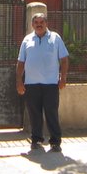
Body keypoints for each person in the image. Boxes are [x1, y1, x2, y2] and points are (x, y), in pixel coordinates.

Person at [16, 12, 69, 153]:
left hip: (51, 84)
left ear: (46, 23)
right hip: (31, 84)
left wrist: (63, 78)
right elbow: (21, 62)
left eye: (42, 22)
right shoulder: (27, 40)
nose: (39, 25)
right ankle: (36, 139)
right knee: (34, 114)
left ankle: (55, 142)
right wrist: (19, 82)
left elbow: (64, 59)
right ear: (32, 25)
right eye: (36, 23)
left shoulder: (55, 38)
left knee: (51, 113)